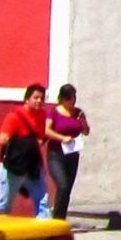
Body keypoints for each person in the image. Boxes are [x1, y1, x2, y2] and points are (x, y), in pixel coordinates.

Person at [0, 85, 49, 215]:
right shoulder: (14, 117)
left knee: (42, 200)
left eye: (42, 98)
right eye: (35, 97)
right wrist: (20, 141)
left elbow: (40, 139)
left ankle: (44, 231)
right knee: (5, 203)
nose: (39, 101)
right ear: (27, 99)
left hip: (32, 165)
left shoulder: (42, 116)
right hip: (14, 166)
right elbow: (2, 139)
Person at [44, 84, 90, 218]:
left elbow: (86, 131)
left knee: (67, 188)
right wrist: (62, 138)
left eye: (74, 98)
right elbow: (47, 130)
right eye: (70, 98)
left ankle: (61, 217)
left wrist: (83, 120)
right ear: (63, 99)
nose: (73, 101)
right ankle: (56, 217)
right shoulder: (54, 112)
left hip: (72, 154)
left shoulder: (77, 112)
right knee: (62, 184)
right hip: (56, 154)